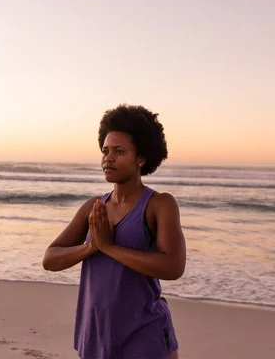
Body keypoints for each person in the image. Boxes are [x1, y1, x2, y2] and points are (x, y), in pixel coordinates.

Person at [43, 103, 186, 359]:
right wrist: (90, 248)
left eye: (119, 151)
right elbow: (50, 259)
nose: (108, 158)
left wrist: (110, 248)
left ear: (141, 158)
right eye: (105, 151)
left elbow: (173, 267)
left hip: (145, 335)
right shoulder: (93, 207)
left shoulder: (159, 204)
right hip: (97, 334)